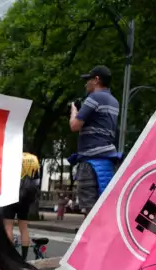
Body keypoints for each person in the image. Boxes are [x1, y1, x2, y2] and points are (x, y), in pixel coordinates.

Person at [69, 65, 119, 214]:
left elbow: (74, 125)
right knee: (102, 207)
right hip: (107, 160)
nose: (86, 84)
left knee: (88, 209)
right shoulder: (114, 102)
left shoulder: (94, 98)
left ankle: (87, 238)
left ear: (96, 80)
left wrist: (73, 112)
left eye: (88, 80)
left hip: (90, 160)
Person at [3, 153, 41, 260]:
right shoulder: (33, 159)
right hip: (26, 198)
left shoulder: (12, 157)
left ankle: (9, 255)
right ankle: (24, 257)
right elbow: (37, 181)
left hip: (11, 195)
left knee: (8, 226)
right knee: (24, 228)